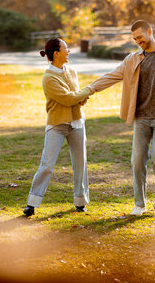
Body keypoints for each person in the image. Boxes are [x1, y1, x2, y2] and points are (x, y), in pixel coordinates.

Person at [89, 20, 155, 215]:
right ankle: (139, 204)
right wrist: (89, 90)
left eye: (140, 37)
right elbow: (112, 75)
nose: (137, 41)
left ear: (150, 32)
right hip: (141, 118)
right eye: (134, 39)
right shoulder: (132, 58)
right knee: (137, 161)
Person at [23, 38, 94, 217]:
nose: (69, 51)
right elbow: (69, 98)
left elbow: (76, 96)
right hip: (57, 124)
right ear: (56, 53)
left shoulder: (71, 70)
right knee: (47, 165)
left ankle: (80, 202)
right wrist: (89, 90)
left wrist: (81, 97)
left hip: (77, 122)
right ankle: (32, 203)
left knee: (80, 164)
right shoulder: (48, 78)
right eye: (66, 48)